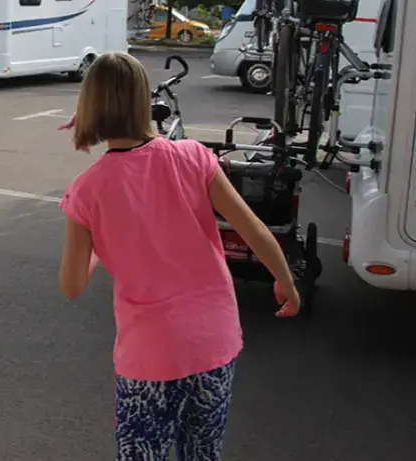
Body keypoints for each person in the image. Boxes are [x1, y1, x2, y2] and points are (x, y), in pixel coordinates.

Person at [57, 51, 301, 461]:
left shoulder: (87, 191)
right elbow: (253, 228)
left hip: (150, 353)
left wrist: (96, 245)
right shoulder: (194, 157)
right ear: (144, 100)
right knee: (202, 452)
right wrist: (285, 281)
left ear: (90, 106)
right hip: (214, 340)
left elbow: (72, 285)